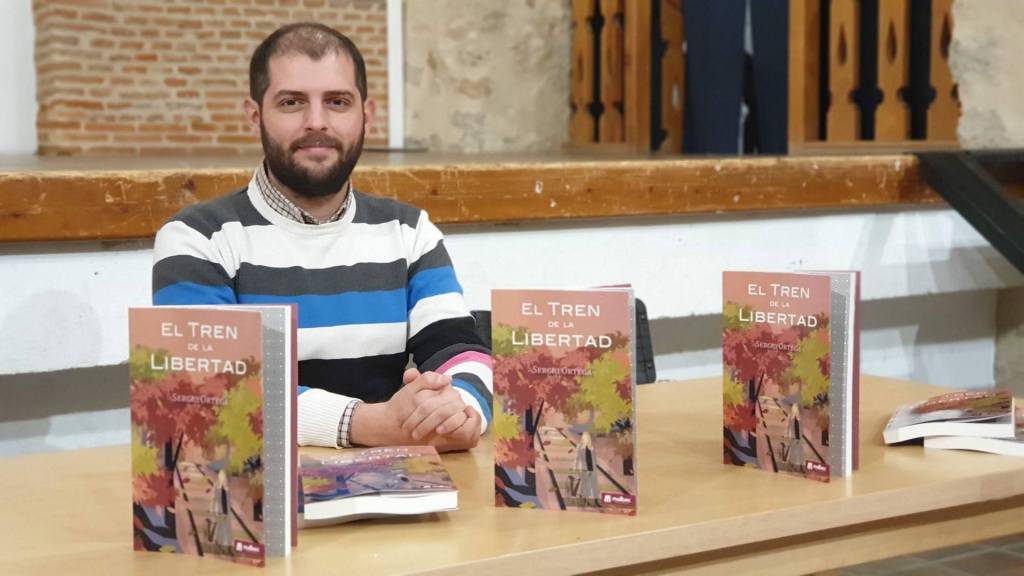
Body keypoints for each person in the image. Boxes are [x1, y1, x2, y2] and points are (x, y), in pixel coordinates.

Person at [152, 23, 491, 452]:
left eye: (337, 102)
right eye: (292, 102)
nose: (317, 122)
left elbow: (461, 349)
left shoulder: (409, 232)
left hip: (399, 491)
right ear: (255, 115)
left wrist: (459, 412)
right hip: (261, 504)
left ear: (366, 114)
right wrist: (365, 423)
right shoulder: (197, 239)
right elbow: (206, 391)